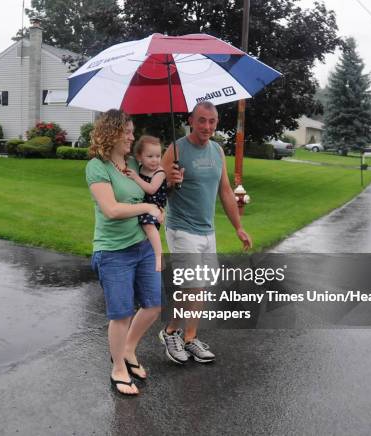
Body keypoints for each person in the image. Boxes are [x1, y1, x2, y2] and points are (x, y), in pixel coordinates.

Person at [158, 101, 252, 364]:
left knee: (201, 287)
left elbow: (224, 190)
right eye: (201, 120)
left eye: (212, 121)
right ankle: (169, 332)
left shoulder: (217, 151)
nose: (207, 126)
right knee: (194, 286)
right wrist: (170, 182)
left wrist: (238, 227)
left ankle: (189, 338)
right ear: (191, 120)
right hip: (181, 228)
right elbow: (156, 190)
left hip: (207, 230)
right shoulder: (176, 149)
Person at [86, 109, 162, 395]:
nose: (132, 136)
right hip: (113, 252)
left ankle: (128, 349)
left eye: (132, 131)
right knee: (121, 314)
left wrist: (167, 185)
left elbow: (152, 186)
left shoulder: (131, 162)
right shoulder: (97, 166)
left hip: (142, 246)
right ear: (112, 133)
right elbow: (112, 209)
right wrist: (146, 207)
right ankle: (118, 367)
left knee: (153, 304)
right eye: (127, 131)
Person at [125, 135, 167, 272]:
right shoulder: (140, 167)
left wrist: (136, 178)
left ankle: (159, 257)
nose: (155, 160)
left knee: (148, 226)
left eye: (158, 156)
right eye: (150, 156)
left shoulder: (159, 173)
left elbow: (151, 189)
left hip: (155, 206)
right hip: (144, 206)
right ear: (139, 157)